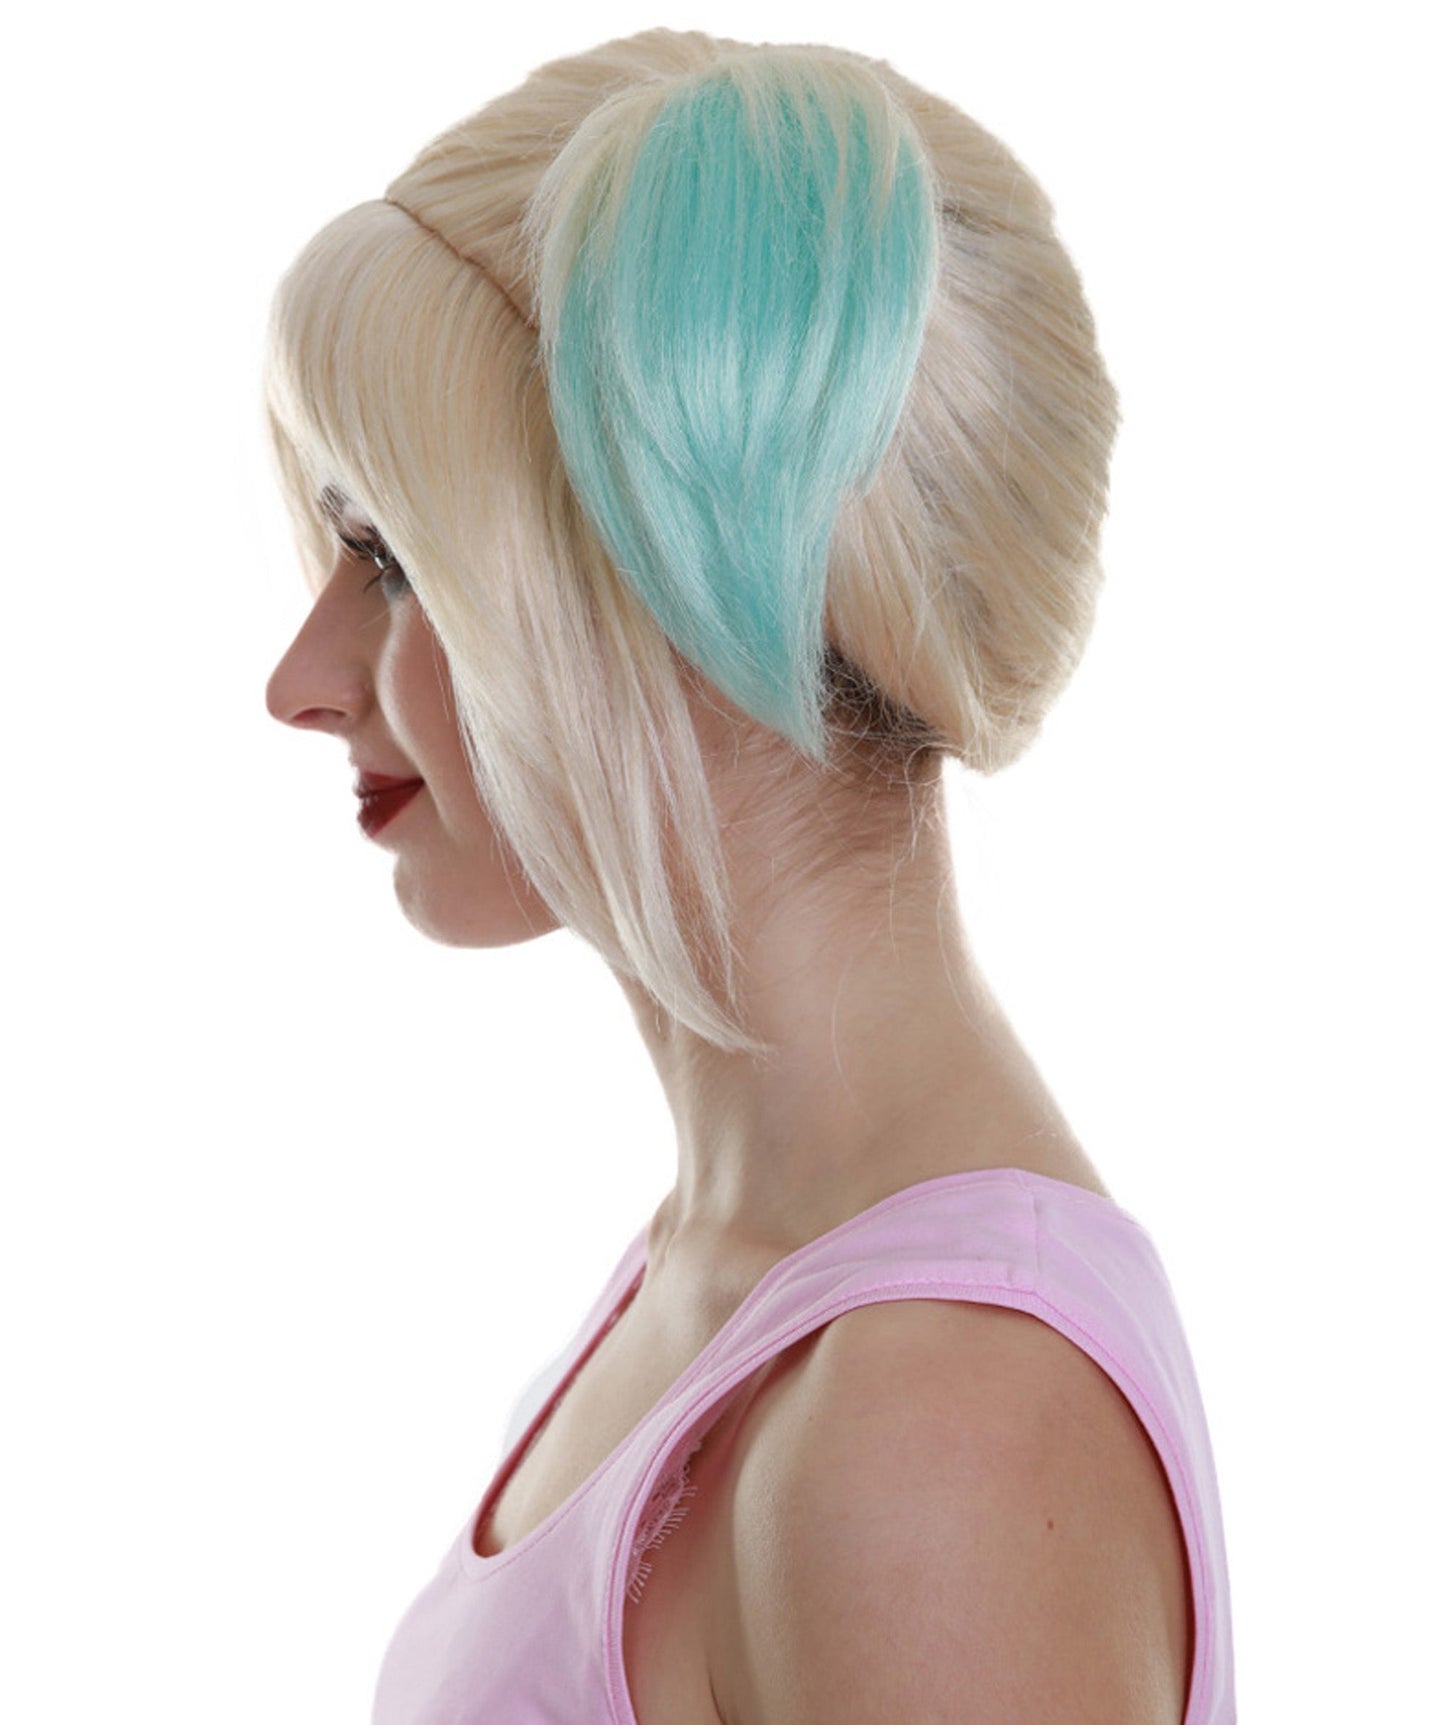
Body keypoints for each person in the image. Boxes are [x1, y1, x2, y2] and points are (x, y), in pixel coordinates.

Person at [264, 27, 1234, 1725]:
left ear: (680, 593)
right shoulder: (734, 1272)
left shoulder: (931, 1427)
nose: (298, 679)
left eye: (392, 558)